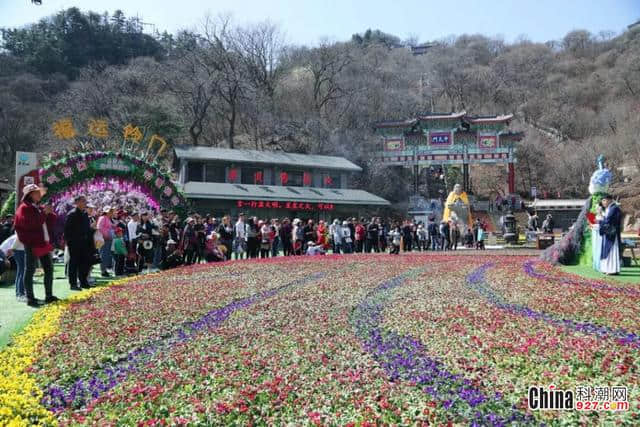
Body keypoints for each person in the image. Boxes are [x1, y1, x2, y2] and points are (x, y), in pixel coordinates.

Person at [14, 184, 58, 306]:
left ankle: (48, 295)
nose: (39, 194)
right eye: (37, 192)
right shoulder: (24, 208)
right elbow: (32, 224)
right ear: (30, 194)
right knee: (30, 270)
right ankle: (30, 298)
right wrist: (44, 212)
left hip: (41, 242)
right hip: (32, 243)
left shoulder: (35, 207)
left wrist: (48, 212)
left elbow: (50, 221)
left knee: (48, 268)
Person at [64, 195, 93, 291]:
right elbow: (67, 230)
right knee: (74, 263)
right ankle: (73, 283)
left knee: (84, 262)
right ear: (77, 203)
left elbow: (87, 228)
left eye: (85, 201)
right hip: (75, 243)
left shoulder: (85, 214)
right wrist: (70, 242)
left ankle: (83, 282)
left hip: (85, 243)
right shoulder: (71, 214)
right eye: (83, 201)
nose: (85, 203)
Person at [599, 195, 622, 275]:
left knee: (612, 250)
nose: (603, 202)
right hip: (608, 232)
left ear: (610, 200)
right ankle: (607, 268)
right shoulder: (609, 208)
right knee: (607, 250)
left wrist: (601, 217)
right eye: (602, 201)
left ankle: (612, 269)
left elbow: (608, 220)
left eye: (604, 200)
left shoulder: (614, 208)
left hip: (612, 233)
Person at [1, 233, 25, 301]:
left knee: (20, 270)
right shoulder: (18, 233)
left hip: (15, 250)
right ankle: (20, 293)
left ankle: (19, 292)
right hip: (16, 250)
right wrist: (12, 250)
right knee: (22, 271)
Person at [97, 206, 115, 277]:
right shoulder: (102, 218)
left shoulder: (107, 218)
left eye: (111, 211)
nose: (111, 213)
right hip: (104, 239)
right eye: (110, 211)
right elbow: (99, 228)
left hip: (108, 239)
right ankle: (103, 270)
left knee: (106, 254)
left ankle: (104, 269)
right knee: (103, 254)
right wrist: (105, 235)